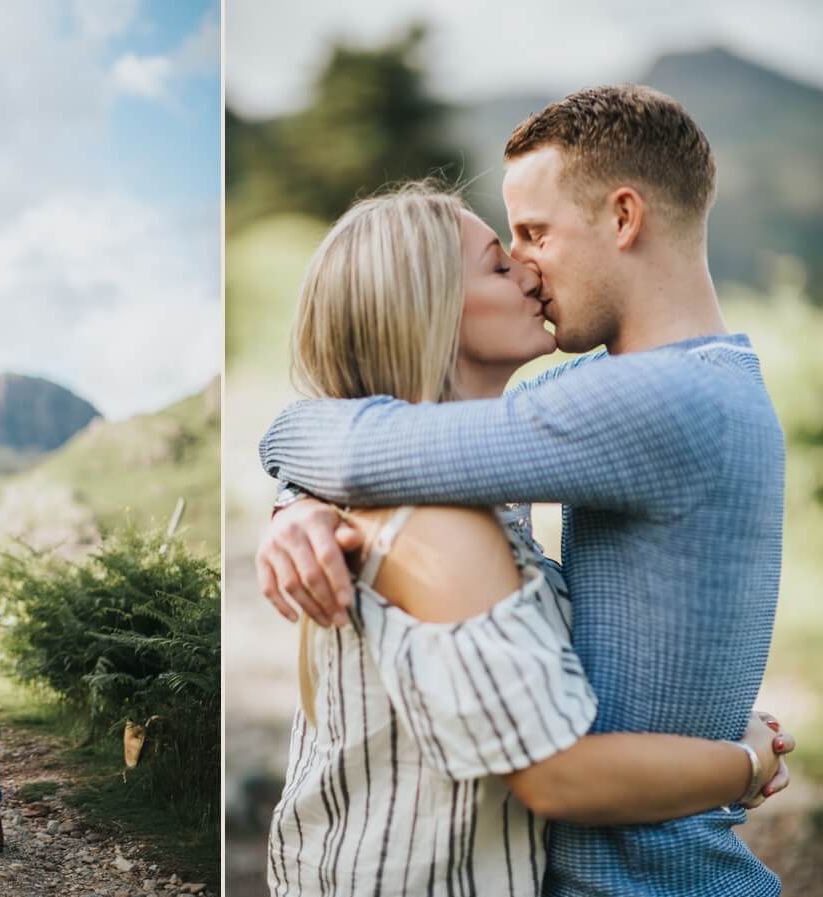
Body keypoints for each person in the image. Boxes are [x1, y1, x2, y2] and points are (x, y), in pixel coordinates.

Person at [258, 86, 791, 896]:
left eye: (533, 234)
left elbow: (369, 448)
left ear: (622, 217)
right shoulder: (604, 385)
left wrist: (298, 479)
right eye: (506, 249)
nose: (525, 263)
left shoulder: (655, 402)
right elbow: (390, 450)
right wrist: (299, 504)